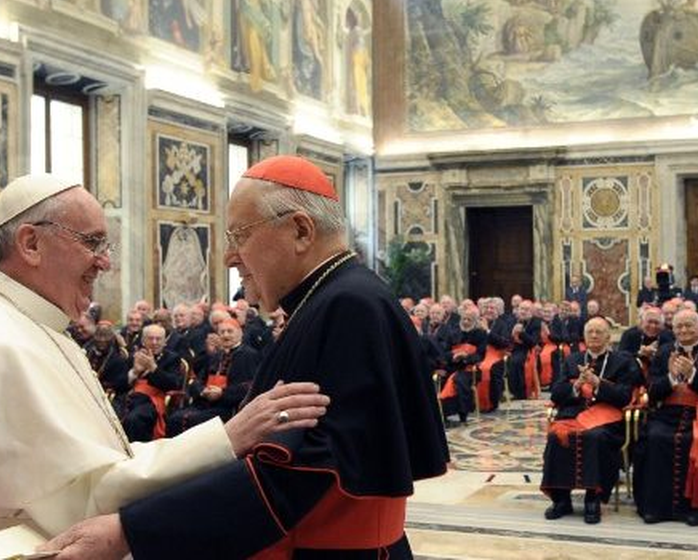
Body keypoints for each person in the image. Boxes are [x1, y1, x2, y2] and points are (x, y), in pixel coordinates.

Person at [0, 173, 328, 559]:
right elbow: (84, 501)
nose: (105, 261)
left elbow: (106, 463)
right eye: (91, 242)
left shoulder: (28, 325)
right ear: (31, 244)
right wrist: (229, 437)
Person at [42, 155, 447, 558]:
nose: (229, 256)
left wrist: (130, 531)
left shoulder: (349, 305)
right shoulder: (333, 298)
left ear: (301, 231)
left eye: (240, 235)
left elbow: (289, 477)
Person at [634, 309, 698, 526]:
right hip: (668, 413)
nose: (684, 330)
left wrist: (693, 375)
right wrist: (670, 377)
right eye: (679, 326)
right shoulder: (664, 353)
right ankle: (656, 508)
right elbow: (651, 390)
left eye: (689, 325)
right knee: (656, 437)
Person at [541, 317, 639, 524]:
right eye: (590, 332)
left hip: (607, 417)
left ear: (608, 336)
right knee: (556, 436)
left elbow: (624, 396)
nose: (594, 335)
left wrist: (597, 384)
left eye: (599, 332)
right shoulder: (571, 359)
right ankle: (561, 499)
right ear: (584, 336)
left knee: (596, 438)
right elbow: (556, 393)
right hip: (573, 414)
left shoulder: (622, 361)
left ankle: (592, 498)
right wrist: (576, 386)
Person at [120, 323, 184, 443]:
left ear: (165, 342)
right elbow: (119, 383)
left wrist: (154, 369)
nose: (154, 342)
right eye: (150, 338)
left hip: (152, 400)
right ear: (143, 341)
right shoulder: (135, 356)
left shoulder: (172, 358)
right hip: (128, 398)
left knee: (134, 419)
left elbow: (174, 384)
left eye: (158, 339)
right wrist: (134, 372)